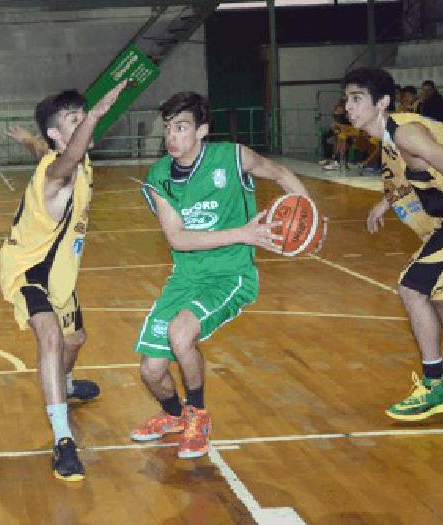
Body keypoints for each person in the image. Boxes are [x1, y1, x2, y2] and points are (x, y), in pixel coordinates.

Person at [130, 92, 325, 458]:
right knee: (151, 371)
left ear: (202, 130)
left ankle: (198, 415)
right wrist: (244, 233)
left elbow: (280, 172)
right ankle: (173, 415)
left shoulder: (232, 157)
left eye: (182, 127)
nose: (172, 136)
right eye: (169, 128)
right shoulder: (158, 177)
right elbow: (178, 239)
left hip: (230, 275)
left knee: (180, 333)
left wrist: (312, 213)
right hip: (186, 278)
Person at [341, 67, 443, 421]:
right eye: (346, 99)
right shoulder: (389, 136)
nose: (348, 107)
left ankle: (435, 386)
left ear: (382, 102)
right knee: (442, 294)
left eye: (357, 99)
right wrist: (386, 202)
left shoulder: (408, 135)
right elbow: (411, 174)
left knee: (411, 288)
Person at [0, 80, 128, 480]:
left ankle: (66, 385)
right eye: (75, 119)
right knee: (50, 337)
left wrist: (28, 141)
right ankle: (62, 440)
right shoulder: (60, 173)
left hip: (60, 275)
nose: (84, 123)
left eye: (83, 116)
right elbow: (62, 161)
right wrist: (96, 114)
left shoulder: (66, 159)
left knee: (76, 340)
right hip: (28, 271)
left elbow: (50, 151)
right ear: (58, 133)